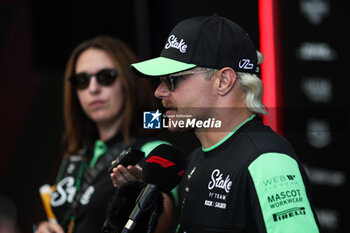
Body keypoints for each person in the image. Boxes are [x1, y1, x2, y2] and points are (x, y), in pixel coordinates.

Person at [130, 16, 320, 233]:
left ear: (223, 81)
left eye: (172, 79)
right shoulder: (194, 161)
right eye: (160, 80)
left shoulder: (267, 161)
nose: (159, 92)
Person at [35, 36, 174, 233]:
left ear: (128, 81)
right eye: (82, 81)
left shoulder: (154, 150)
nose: (93, 89)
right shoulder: (76, 154)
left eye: (106, 77)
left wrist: (140, 193)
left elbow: (162, 224)